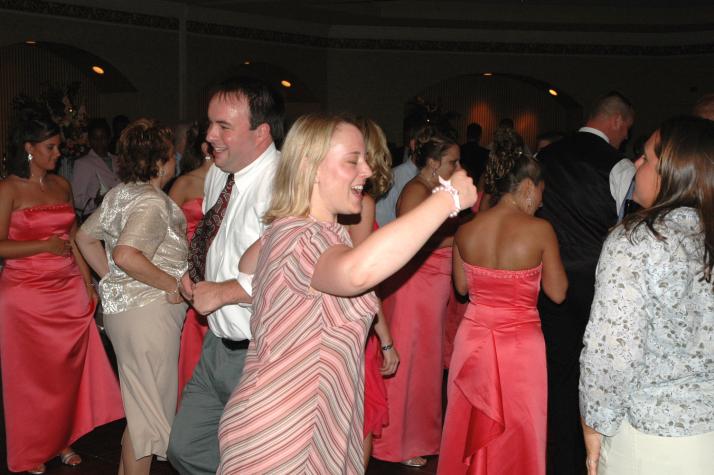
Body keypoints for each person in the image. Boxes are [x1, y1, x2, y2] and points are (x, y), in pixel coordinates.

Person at [216, 113, 477, 474]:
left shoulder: (311, 232)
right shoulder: (302, 237)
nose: (368, 171)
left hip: (317, 422)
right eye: (353, 160)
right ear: (311, 167)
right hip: (285, 433)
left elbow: (249, 265)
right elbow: (357, 273)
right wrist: (447, 200)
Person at [579, 116, 714, 475]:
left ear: (674, 173)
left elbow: (612, 352)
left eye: (646, 158)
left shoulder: (638, 240)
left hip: (651, 438)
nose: (635, 164)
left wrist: (593, 424)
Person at [167, 77, 285, 475]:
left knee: (255, 461)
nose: (210, 135)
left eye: (224, 127)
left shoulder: (283, 187)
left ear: (261, 132)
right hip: (217, 343)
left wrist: (225, 291)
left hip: (261, 354)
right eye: (210, 123)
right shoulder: (221, 170)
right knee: (185, 449)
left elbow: (293, 274)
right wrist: (193, 273)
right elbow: (214, 236)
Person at [0, 112, 123, 474]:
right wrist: (40, 246)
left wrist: (88, 284)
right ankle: (33, 446)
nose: (58, 153)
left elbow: (73, 238)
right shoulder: (8, 189)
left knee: (64, 373)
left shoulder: (61, 186)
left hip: (67, 286)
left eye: (57, 146)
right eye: (50, 147)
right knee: (32, 377)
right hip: (24, 294)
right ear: (28, 148)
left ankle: (63, 438)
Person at [438, 135, 567, 475]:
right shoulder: (540, 229)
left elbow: (462, 288)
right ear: (527, 186)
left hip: (473, 340)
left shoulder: (466, 229)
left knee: (467, 422)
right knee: (520, 429)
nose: (541, 201)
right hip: (520, 346)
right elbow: (558, 293)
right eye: (541, 191)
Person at [76, 118, 188, 475]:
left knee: (142, 413)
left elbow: (85, 238)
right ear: (159, 162)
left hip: (127, 315)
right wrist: (171, 284)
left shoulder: (121, 193)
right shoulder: (153, 202)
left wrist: (113, 282)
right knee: (149, 422)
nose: (175, 161)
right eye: (171, 155)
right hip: (150, 316)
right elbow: (126, 254)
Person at [536, 91, 634, 475]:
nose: (626, 136)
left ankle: (561, 462)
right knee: (602, 374)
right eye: (626, 128)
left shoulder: (544, 158)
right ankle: (597, 460)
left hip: (550, 282)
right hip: (601, 286)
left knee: (559, 375)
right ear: (615, 121)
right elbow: (628, 226)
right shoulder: (619, 165)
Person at [372, 133, 462, 468]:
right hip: (415, 289)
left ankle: (417, 436)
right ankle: (395, 442)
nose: (457, 167)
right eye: (453, 161)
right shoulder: (414, 190)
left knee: (424, 366)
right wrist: (459, 239)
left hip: (431, 290)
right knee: (410, 364)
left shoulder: (433, 191)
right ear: (434, 162)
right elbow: (413, 241)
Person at [337, 117, 400, 468]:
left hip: (329, 318)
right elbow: (362, 279)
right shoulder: (361, 203)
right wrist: (386, 339)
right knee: (360, 416)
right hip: (354, 323)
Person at [169, 121, 214, 401]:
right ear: (205, 147)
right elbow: (166, 233)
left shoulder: (236, 182)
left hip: (223, 269)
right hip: (190, 270)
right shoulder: (185, 183)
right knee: (195, 341)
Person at [71, 118, 121, 218]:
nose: (99, 142)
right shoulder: (83, 163)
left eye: (103, 138)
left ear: (109, 138)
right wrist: (95, 201)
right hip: (95, 218)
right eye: (95, 138)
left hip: (120, 215)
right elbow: (75, 198)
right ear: (89, 140)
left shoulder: (119, 160)